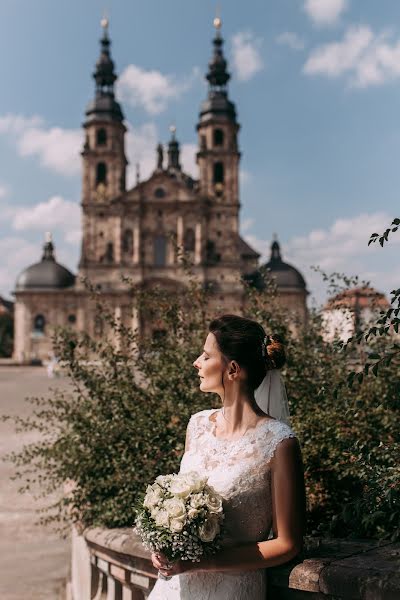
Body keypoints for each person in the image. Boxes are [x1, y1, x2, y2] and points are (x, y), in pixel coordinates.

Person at [148, 314, 306, 599]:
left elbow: (287, 543)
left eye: (206, 356)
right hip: (175, 587)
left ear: (232, 369)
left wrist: (203, 563)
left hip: (232, 589)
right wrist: (162, 543)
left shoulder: (279, 443)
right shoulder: (196, 425)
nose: (197, 362)